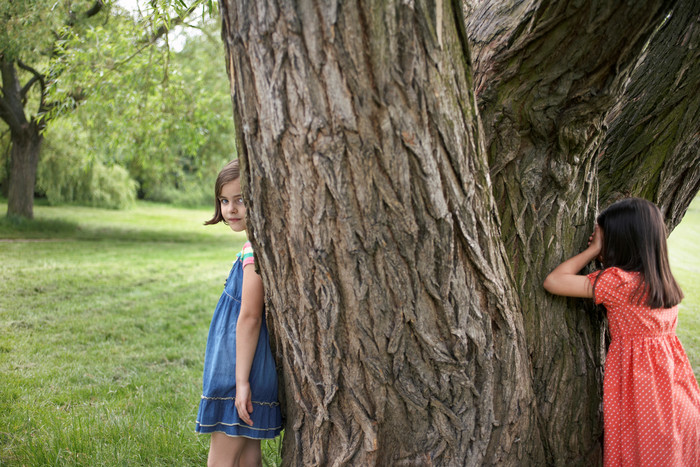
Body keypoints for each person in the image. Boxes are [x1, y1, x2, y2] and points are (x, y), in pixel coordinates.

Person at [544, 197, 700, 466]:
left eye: (604, 238)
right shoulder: (661, 282)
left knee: (639, 456)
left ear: (620, 241)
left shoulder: (619, 283)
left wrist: (592, 251)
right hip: (677, 399)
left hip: (645, 398)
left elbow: (553, 281)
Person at [196, 159, 282, 467]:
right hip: (251, 367)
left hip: (239, 370)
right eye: (224, 200)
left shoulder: (253, 251)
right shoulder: (260, 245)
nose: (231, 208)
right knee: (247, 458)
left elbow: (250, 316)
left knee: (220, 461)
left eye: (240, 200)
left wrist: (240, 382)